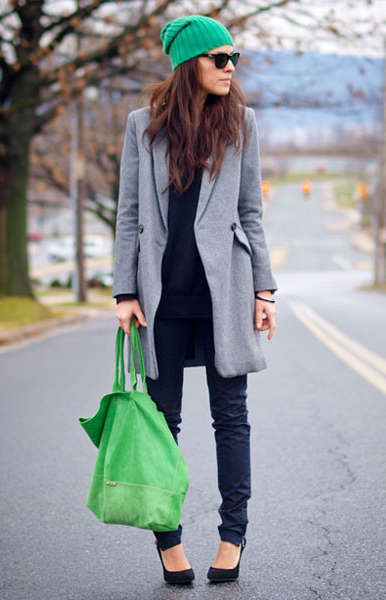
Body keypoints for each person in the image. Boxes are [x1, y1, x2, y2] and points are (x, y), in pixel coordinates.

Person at [112, 14, 277, 584]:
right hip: (161, 298)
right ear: (189, 64)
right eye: (219, 58)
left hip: (224, 293)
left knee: (231, 418)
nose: (231, 68)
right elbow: (128, 215)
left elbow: (251, 213)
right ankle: (169, 541)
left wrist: (265, 288)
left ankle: (233, 535)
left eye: (235, 58)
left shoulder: (242, 124)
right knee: (163, 423)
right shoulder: (143, 126)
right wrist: (124, 290)